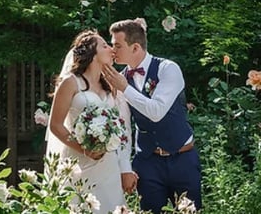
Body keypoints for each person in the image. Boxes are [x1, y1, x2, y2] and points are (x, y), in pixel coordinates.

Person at [103, 18, 202, 213]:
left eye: (117, 45)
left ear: (135, 47)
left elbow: (156, 112)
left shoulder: (168, 68)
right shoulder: (120, 79)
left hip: (182, 158)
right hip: (147, 162)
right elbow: (123, 127)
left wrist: (125, 88)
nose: (113, 50)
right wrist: (126, 168)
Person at [45, 30, 133, 213]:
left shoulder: (111, 85)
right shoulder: (70, 82)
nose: (111, 49)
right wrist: (84, 149)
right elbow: (55, 125)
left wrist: (125, 167)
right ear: (92, 53)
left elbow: (123, 127)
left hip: (108, 165)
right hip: (78, 162)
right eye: (105, 45)